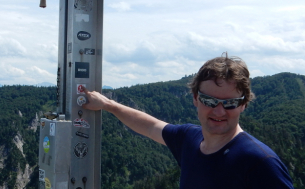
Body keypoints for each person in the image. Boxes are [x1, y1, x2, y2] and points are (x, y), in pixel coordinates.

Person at [82, 55, 294, 188]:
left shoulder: (259, 162)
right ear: (195, 99)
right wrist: (108, 105)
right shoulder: (189, 139)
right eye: (209, 100)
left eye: (230, 102)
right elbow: (150, 126)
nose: (219, 110)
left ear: (243, 104)